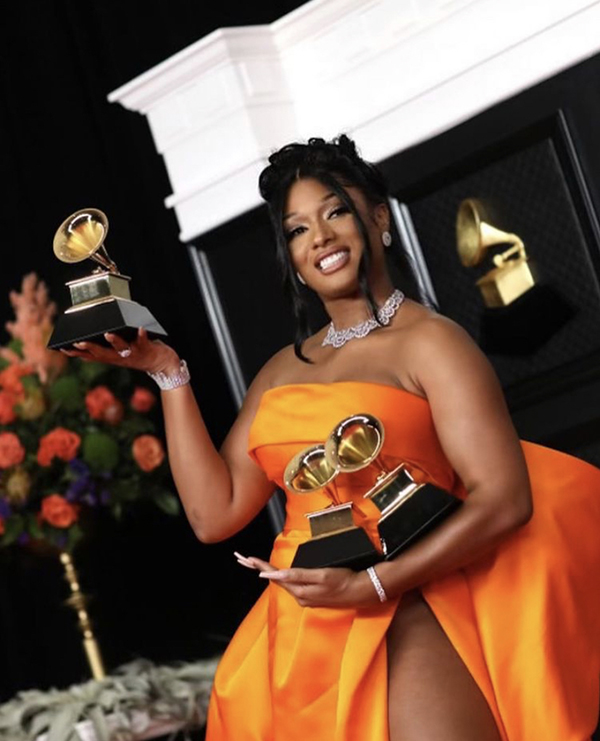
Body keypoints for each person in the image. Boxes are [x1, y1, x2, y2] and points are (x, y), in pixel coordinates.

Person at [63, 136, 600, 741]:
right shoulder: (280, 371)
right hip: (298, 634)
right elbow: (215, 516)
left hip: (409, 604)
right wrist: (168, 374)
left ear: (378, 218)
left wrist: (372, 584)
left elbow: (505, 500)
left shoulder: (432, 343)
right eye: (296, 229)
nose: (318, 236)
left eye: (335, 211)